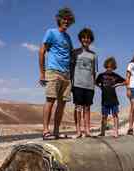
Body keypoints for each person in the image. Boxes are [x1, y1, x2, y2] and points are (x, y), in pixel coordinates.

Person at [39, 7, 75, 140]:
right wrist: (42, 73)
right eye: (64, 19)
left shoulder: (68, 37)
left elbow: (71, 54)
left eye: (69, 20)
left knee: (62, 103)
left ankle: (56, 131)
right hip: (53, 71)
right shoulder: (51, 32)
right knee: (50, 100)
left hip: (66, 74)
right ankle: (45, 131)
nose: (66, 21)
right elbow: (42, 51)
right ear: (59, 19)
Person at [71, 28, 97, 138]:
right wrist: (71, 83)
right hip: (77, 84)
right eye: (84, 37)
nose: (86, 39)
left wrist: (93, 84)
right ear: (81, 39)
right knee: (78, 108)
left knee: (87, 108)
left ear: (91, 40)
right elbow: (71, 68)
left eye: (88, 38)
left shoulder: (93, 55)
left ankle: (87, 130)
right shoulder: (75, 52)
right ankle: (78, 131)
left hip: (89, 85)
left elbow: (94, 71)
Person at [96, 57, 126, 137]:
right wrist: (101, 87)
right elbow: (96, 82)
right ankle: (102, 132)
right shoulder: (101, 75)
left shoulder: (115, 76)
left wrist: (117, 84)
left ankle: (116, 132)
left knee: (115, 115)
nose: (110, 68)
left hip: (114, 99)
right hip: (104, 99)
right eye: (109, 66)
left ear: (114, 67)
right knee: (104, 116)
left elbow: (126, 81)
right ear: (106, 66)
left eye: (112, 67)